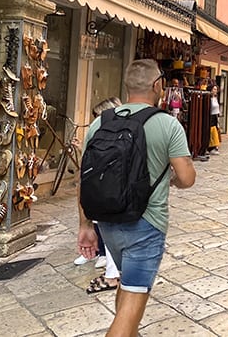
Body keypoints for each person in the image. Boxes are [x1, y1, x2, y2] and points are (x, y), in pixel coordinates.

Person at [77, 59, 196, 336]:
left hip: (107, 223)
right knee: (132, 303)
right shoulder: (167, 124)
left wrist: (85, 226)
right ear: (158, 86)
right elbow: (187, 179)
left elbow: (84, 180)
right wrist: (169, 176)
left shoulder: (99, 124)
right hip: (146, 225)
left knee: (127, 287)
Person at [79, 97, 123, 293]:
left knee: (111, 228)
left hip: (108, 188)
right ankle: (113, 273)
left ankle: (113, 276)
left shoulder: (104, 130)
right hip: (118, 190)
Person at [208, 84, 221, 155]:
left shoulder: (216, 98)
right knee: (211, 132)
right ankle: (210, 147)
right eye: (214, 89)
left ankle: (215, 146)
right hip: (210, 117)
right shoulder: (208, 98)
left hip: (215, 117)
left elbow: (217, 109)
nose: (215, 91)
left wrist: (218, 117)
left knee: (216, 131)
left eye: (216, 89)